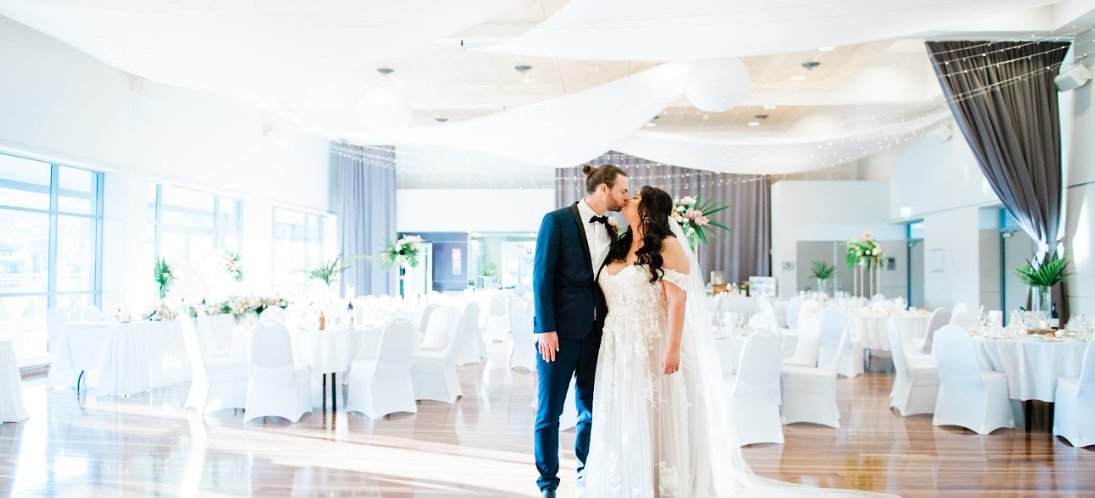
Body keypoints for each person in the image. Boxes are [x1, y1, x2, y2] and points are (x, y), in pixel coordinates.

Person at [582, 185, 899, 498]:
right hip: (618, 346)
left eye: (634, 197)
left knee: (654, 417)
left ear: (648, 210)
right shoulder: (618, 244)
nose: (626, 199)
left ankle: (656, 487)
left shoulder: (668, 247)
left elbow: (678, 303)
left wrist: (673, 348)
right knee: (626, 415)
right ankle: (625, 482)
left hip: (653, 343)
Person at [532, 164, 629, 498]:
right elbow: (541, 277)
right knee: (550, 412)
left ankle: (586, 471)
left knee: (591, 408)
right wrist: (545, 328)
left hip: (597, 333)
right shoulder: (555, 221)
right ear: (604, 189)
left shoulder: (613, 229)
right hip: (557, 334)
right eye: (622, 191)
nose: (625, 197)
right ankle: (547, 483)